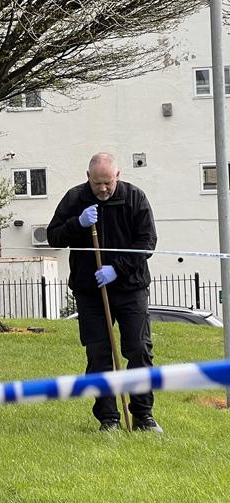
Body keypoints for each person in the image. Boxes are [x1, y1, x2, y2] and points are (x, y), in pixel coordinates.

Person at [46, 152, 162, 433]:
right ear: (88, 178)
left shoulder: (135, 198)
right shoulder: (75, 199)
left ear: (118, 176)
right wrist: (78, 224)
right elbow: (53, 237)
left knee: (138, 349)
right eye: (97, 183)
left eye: (108, 183)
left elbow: (147, 242)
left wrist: (116, 268)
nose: (103, 189)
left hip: (130, 288)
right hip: (90, 292)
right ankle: (108, 419)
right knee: (98, 354)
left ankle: (143, 416)